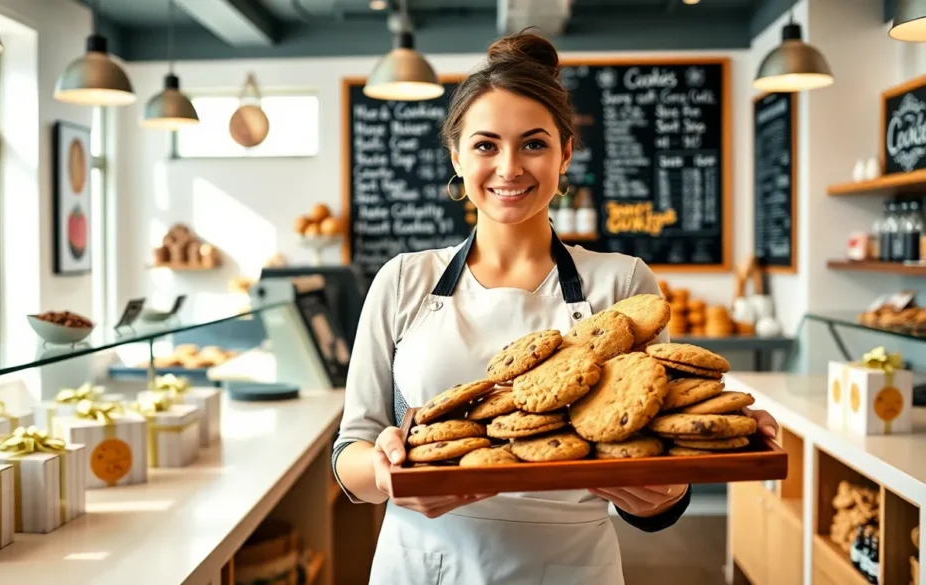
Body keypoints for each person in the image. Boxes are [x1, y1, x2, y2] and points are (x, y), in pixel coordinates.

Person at [332, 30, 779, 585]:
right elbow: (353, 449)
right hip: (424, 561)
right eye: (486, 145)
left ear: (566, 152)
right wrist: (388, 476)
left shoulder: (623, 283)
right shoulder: (403, 280)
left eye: (534, 144)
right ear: (456, 155)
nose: (510, 167)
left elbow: (659, 459)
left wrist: (661, 495)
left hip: (571, 566)